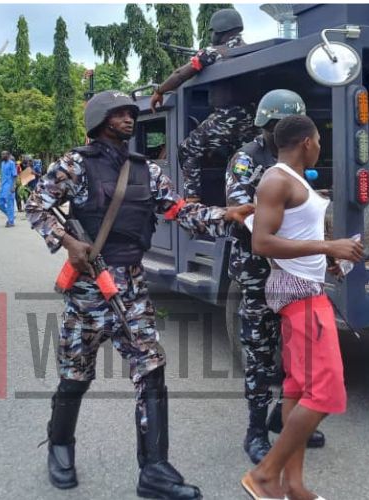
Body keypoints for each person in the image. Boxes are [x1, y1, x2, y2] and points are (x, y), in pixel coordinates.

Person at [26, 90, 253, 499]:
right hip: (88, 288)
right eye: (120, 113)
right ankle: (60, 443)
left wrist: (225, 216)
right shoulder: (74, 164)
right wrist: (67, 241)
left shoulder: (147, 170)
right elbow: (36, 207)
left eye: (132, 112)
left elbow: (178, 210)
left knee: (151, 369)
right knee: (75, 373)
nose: (129, 118)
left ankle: (154, 470)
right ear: (99, 119)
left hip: (130, 286)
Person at [241, 115, 363, 500]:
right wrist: (329, 247)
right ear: (308, 142)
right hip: (301, 296)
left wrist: (328, 259)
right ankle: (265, 476)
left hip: (305, 286)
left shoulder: (293, 181)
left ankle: (293, 486)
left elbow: (294, 233)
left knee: (297, 389)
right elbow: (262, 242)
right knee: (327, 393)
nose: (320, 148)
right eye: (319, 142)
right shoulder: (277, 180)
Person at [226, 89, 326, 465]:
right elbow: (238, 208)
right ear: (264, 125)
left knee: (295, 351)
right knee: (260, 354)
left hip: (291, 271)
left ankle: (280, 417)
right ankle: (254, 431)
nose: (279, 130)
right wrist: (275, 225)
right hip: (256, 271)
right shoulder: (247, 158)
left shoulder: (291, 158)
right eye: (274, 125)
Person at [150, 8, 260, 202]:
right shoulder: (251, 51)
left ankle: (192, 199)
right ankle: (242, 198)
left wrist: (159, 90)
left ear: (219, 31)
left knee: (188, 148)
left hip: (227, 116)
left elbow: (180, 74)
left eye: (212, 31)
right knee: (239, 159)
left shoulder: (214, 52)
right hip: (252, 121)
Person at [0, 150, 17, 227]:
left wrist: (13, 186)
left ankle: (11, 221)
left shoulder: (11, 163)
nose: (2, 156)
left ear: (8, 155)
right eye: (2, 154)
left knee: (10, 204)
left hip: (9, 187)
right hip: (2, 187)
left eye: (4, 154)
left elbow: (15, 176)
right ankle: (11, 216)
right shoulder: (2, 163)